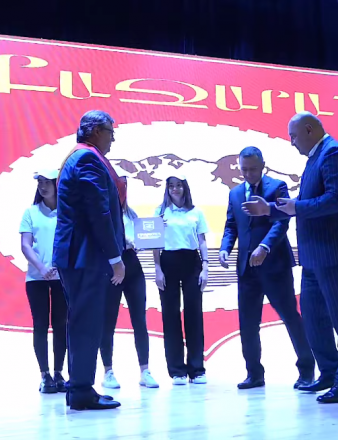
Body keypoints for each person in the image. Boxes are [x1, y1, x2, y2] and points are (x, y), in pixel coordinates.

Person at [242, 112, 338, 404]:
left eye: (293, 135)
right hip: (315, 255)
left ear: (310, 130)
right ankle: (328, 373)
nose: (291, 142)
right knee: (314, 318)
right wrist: (270, 210)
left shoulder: (335, 154)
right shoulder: (316, 157)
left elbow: (337, 200)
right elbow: (301, 204)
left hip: (336, 252)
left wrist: (293, 207)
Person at [220, 146, 315, 390]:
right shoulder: (235, 193)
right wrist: (225, 248)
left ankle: (306, 370)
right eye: (244, 170)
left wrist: (264, 247)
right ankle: (254, 374)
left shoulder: (277, 186)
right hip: (247, 269)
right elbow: (231, 225)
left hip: (275, 266)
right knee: (248, 323)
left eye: (253, 169)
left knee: (290, 317)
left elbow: (282, 221)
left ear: (263, 165)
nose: (248, 174)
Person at [53, 110, 124, 411]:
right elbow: (99, 212)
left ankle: (81, 388)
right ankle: (81, 391)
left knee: (84, 323)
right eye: (110, 132)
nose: (113, 138)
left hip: (80, 255)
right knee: (86, 325)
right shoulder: (87, 159)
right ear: (95, 131)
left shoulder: (81, 156)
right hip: (85, 255)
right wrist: (115, 256)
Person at [99, 177, 159, 390]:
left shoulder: (132, 215)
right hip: (112, 268)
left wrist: (154, 234)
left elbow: (142, 240)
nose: (120, 194)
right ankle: (108, 371)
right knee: (108, 321)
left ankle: (145, 371)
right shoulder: (104, 215)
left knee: (140, 320)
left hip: (133, 267)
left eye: (122, 190)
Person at [152, 175, 209, 386]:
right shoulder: (160, 212)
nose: (175, 189)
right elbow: (155, 242)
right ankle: (177, 370)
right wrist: (157, 268)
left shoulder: (196, 212)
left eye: (178, 185)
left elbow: (202, 241)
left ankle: (197, 369)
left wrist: (206, 267)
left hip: (191, 261)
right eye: (171, 186)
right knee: (170, 315)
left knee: (194, 314)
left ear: (185, 187)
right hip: (167, 262)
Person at [19, 169, 67, 394]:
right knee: (40, 325)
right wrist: (41, 267)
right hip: (36, 278)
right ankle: (44, 375)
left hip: (61, 277)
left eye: (47, 182)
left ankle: (59, 373)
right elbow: (25, 245)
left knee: (61, 325)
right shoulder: (31, 212)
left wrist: (60, 266)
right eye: (40, 182)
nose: (43, 186)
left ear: (57, 184)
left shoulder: (67, 211)